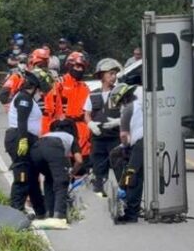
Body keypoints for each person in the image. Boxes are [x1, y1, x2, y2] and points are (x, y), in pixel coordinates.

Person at [6, 69, 54, 218]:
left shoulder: (28, 98)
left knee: (33, 177)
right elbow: (22, 120)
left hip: (28, 139)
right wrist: (23, 139)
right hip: (19, 138)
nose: (41, 92)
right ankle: (15, 211)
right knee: (23, 175)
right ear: (35, 85)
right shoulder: (24, 98)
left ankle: (41, 211)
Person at [31, 119, 84, 229]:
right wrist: (71, 173)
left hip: (36, 149)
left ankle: (49, 213)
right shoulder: (70, 137)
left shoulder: (48, 134)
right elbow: (79, 160)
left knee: (49, 179)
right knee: (61, 181)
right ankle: (59, 216)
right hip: (53, 148)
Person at [44, 52, 92, 157]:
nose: (80, 70)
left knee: (83, 166)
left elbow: (88, 112)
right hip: (63, 128)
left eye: (82, 67)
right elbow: (49, 109)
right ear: (70, 65)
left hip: (82, 131)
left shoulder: (85, 87)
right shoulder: (60, 83)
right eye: (78, 66)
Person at [88, 59, 124, 195]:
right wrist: (90, 124)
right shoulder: (93, 94)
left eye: (115, 74)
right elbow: (87, 113)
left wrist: (119, 121)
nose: (114, 77)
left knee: (120, 169)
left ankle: (124, 199)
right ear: (102, 75)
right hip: (98, 139)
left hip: (114, 138)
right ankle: (100, 199)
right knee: (99, 171)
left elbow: (127, 112)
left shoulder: (119, 93)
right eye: (111, 74)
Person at [112, 83, 143, 223]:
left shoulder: (128, 109)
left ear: (123, 99)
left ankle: (131, 213)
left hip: (139, 144)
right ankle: (124, 190)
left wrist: (124, 147)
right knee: (134, 174)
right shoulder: (140, 104)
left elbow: (124, 135)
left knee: (131, 176)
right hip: (145, 142)